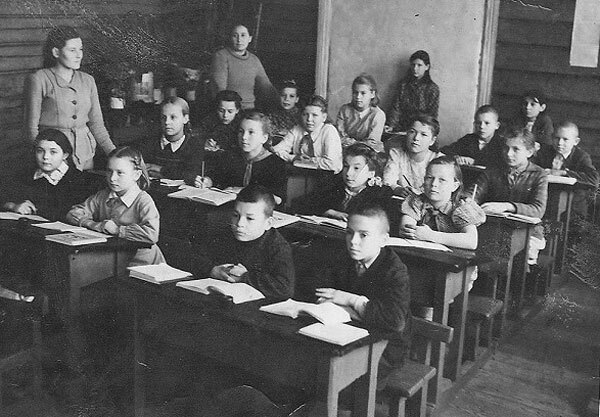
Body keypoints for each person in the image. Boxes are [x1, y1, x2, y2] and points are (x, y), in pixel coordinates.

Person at [315, 199, 411, 390]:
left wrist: (351, 300)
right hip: (345, 333)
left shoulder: (395, 271)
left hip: (386, 348)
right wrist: (356, 311)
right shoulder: (341, 256)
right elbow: (321, 295)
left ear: (383, 240)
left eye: (363, 235)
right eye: (349, 232)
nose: (353, 241)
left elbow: (394, 321)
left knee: (336, 377)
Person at [24, 25, 116, 171]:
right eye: (72, 50)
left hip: (84, 156)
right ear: (56, 52)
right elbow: (31, 128)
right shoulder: (39, 79)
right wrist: (43, 159)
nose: (79, 55)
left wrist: (115, 155)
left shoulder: (88, 80)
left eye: (81, 49)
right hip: (52, 158)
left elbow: (97, 125)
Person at [66, 146, 165, 266]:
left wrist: (117, 230)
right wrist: (92, 224)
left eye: (120, 173)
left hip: (143, 262)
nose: (112, 178)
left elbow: (151, 234)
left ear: (136, 174)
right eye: (109, 171)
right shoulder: (103, 195)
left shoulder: (143, 200)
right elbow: (73, 214)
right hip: (114, 258)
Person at [191, 184, 294, 299]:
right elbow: (193, 258)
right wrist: (212, 270)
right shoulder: (225, 234)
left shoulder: (277, 247)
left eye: (250, 218)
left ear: (268, 223)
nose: (239, 224)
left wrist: (244, 277)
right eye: (236, 215)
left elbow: (285, 288)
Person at [471, 128, 548, 265]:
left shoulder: (539, 174)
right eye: (506, 148)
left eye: (515, 149)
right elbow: (474, 192)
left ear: (529, 152)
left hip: (528, 231)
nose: (508, 153)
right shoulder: (493, 169)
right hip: (494, 227)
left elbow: (538, 210)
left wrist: (507, 206)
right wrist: (468, 201)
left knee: (519, 256)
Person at [193, 111, 287, 203]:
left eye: (251, 132)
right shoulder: (229, 157)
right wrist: (208, 182)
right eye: (241, 131)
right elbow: (217, 179)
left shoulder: (277, 164)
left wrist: (244, 191)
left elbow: (278, 200)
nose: (244, 137)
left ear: (264, 138)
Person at [2, 129, 92, 222]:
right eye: (40, 151)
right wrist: (13, 205)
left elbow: (69, 213)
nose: (45, 157)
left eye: (53, 152)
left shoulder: (79, 180)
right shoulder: (26, 175)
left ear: (65, 155)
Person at [400, 156, 486, 250]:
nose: (434, 184)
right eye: (429, 178)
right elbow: (405, 229)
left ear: (454, 186)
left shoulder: (460, 207)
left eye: (442, 180)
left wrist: (430, 235)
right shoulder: (417, 202)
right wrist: (409, 231)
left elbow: (471, 241)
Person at [295, 143, 393, 223]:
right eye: (346, 166)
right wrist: (330, 212)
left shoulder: (380, 193)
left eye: (356, 168)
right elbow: (300, 203)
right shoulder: (333, 184)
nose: (348, 173)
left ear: (371, 173)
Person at [535, 121, 599, 218]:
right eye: (557, 138)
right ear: (552, 137)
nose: (560, 143)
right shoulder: (544, 152)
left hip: (573, 207)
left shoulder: (581, 157)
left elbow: (594, 179)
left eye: (565, 139)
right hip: (545, 202)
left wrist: (564, 173)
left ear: (576, 141)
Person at [210, 23, 277, 110]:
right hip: (229, 109)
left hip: (250, 109)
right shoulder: (221, 56)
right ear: (230, 38)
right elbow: (219, 88)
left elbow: (266, 87)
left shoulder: (254, 59)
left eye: (243, 35)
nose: (239, 40)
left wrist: (280, 102)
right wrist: (231, 110)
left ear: (250, 38)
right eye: (235, 36)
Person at [272, 95, 343, 173]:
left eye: (314, 115)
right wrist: (294, 158)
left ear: (324, 117)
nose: (309, 119)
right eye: (305, 114)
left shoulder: (329, 130)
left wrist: (308, 161)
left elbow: (332, 164)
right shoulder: (297, 129)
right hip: (300, 175)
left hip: (325, 176)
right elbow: (276, 150)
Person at [141, 97, 204, 182]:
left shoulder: (194, 145)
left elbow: (191, 175)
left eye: (173, 117)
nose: (167, 122)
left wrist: (160, 169)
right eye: (163, 117)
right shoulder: (151, 142)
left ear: (185, 119)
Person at [383, 114, 444, 197]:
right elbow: (388, 181)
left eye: (423, 134)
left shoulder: (439, 159)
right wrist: (398, 189)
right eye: (412, 132)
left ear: (432, 140)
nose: (416, 138)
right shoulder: (396, 154)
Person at [387, 50, 440, 133]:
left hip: (421, 128)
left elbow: (432, 115)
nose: (415, 68)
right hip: (401, 127)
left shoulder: (432, 89)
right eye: (413, 65)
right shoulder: (403, 85)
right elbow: (396, 108)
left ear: (427, 67)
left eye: (419, 65)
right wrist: (391, 125)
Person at [336, 74, 386, 152]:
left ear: (372, 94)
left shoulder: (378, 115)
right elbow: (339, 136)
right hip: (345, 150)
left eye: (363, 93)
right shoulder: (345, 110)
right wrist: (357, 143)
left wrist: (352, 143)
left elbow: (372, 143)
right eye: (355, 92)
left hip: (367, 153)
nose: (358, 97)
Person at [200, 90, 242, 155]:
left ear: (237, 110)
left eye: (230, 111)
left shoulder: (243, 124)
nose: (225, 115)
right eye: (221, 111)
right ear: (217, 109)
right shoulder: (208, 121)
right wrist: (204, 143)